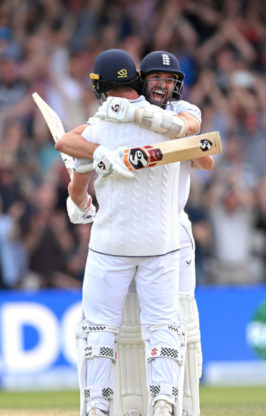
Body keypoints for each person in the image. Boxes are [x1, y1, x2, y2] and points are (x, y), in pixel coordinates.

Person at [55, 50, 210, 416]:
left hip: (112, 244)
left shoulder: (100, 126)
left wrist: (98, 162)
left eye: (167, 80)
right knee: (164, 326)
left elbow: (68, 154)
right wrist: (118, 148)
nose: (162, 86)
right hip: (162, 242)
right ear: (138, 80)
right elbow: (205, 154)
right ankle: (164, 402)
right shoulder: (171, 118)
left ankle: (96, 405)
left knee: (99, 330)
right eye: (155, 79)